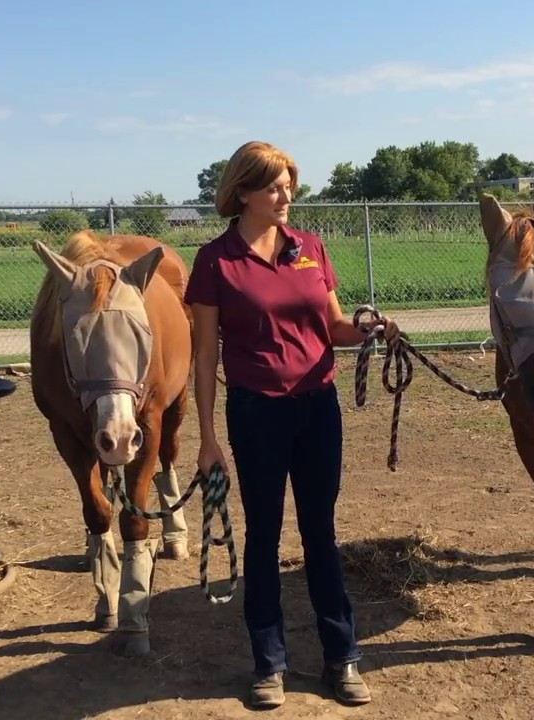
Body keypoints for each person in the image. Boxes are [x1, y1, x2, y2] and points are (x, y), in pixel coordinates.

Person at [183, 140, 399, 710]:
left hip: (317, 406)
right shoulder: (215, 261)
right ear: (244, 192)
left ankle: (342, 655)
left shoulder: (311, 248)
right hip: (255, 411)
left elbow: (333, 326)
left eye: (290, 185)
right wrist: (206, 439)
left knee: (321, 532)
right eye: (276, 186)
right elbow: (205, 356)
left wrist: (373, 330)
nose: (287, 196)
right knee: (264, 536)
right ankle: (269, 662)